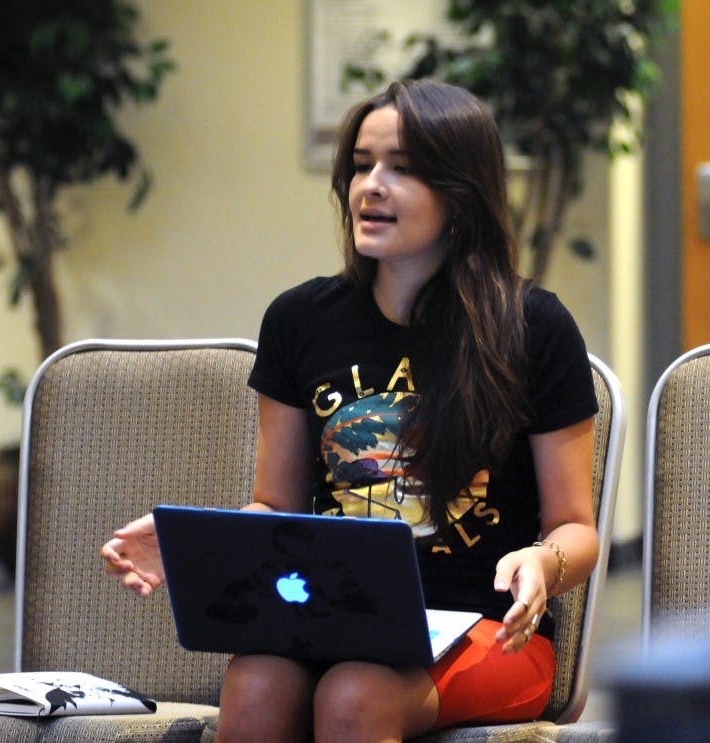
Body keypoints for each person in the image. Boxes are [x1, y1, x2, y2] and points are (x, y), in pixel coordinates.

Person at [101, 78, 599, 743]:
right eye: (362, 165)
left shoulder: (534, 325)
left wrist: (541, 562)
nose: (371, 185)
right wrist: (195, 543)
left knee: (355, 692)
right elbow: (273, 508)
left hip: (485, 628)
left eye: (403, 168)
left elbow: (576, 526)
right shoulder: (300, 320)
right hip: (333, 614)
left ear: (461, 192)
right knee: (254, 681)